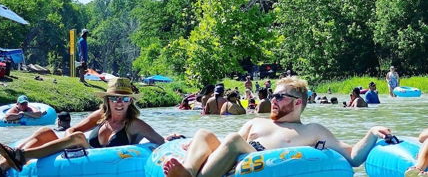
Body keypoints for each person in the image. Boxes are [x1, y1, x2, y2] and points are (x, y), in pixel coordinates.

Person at [162, 76, 392, 177]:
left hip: (265, 162)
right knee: (204, 133)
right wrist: (191, 144)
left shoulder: (313, 130)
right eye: (273, 95)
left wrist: (372, 133)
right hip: (239, 159)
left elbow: (351, 156)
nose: (273, 99)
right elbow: (223, 147)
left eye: (280, 97)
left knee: (232, 139)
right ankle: (188, 174)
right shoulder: (255, 121)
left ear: (298, 102)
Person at [0, 77, 182, 176]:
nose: (119, 103)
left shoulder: (135, 124)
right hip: (81, 154)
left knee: (77, 139)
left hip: (105, 160)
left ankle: (22, 155)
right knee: (46, 131)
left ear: (131, 101)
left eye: (125, 99)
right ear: (108, 100)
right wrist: (67, 142)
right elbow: (72, 131)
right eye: (115, 98)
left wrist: (171, 139)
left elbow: (160, 143)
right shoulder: (100, 115)